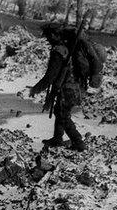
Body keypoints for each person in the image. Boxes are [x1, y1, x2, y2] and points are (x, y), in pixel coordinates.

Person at [29, 22, 86, 151]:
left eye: (48, 36)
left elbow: (50, 76)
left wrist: (36, 89)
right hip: (75, 86)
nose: (47, 40)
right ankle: (57, 138)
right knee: (59, 111)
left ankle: (78, 142)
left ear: (55, 35)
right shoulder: (67, 47)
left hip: (67, 89)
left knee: (63, 115)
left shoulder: (58, 51)